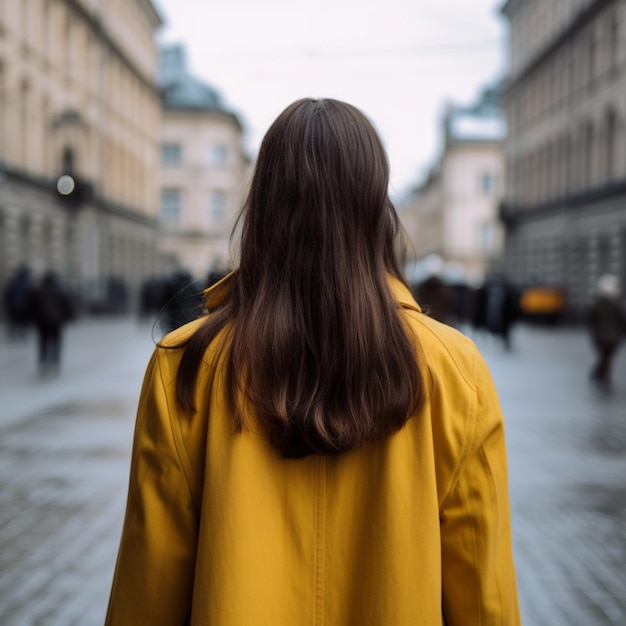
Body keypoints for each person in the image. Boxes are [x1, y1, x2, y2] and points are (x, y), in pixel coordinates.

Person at [106, 98, 521, 625]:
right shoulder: (456, 369)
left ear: (263, 205)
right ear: (376, 207)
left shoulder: (186, 364)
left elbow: (149, 582)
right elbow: (483, 591)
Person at [29, 271, 73, 375]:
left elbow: (32, 308)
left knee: (43, 343)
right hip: (56, 322)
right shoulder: (59, 291)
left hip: (42, 323)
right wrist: (65, 318)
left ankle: (43, 362)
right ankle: (55, 361)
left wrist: (34, 320)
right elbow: (67, 307)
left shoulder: (38, 291)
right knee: (56, 343)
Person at [587, 273, 626, 387]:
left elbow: (591, 321)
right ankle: (603, 376)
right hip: (613, 337)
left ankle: (600, 375)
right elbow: (622, 321)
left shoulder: (597, 305)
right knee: (607, 357)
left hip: (600, 336)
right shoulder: (615, 306)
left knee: (604, 357)